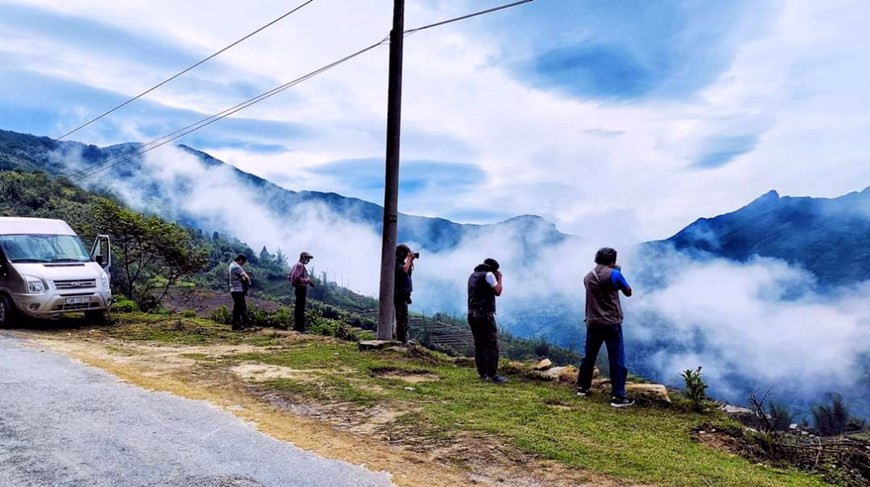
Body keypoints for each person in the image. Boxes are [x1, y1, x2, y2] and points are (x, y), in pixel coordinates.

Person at [576, 247, 635, 407]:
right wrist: (618, 271)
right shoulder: (614, 274)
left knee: (589, 356)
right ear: (612, 261)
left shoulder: (588, 277)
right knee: (616, 359)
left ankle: (582, 387)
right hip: (611, 323)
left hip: (593, 322)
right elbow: (628, 291)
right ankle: (618, 396)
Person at [467, 258, 507, 384]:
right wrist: (499, 279)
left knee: (478, 343)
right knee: (491, 344)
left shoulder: (473, 275)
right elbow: (498, 291)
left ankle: (482, 372)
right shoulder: (489, 275)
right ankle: (492, 374)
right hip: (484, 314)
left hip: (472, 313)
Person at [394, 244, 417, 344]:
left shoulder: (401, 262)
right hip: (399, 294)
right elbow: (403, 271)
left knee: (404, 317)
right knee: (401, 318)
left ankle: (403, 339)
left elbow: (407, 272)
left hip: (404, 294)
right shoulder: (395, 262)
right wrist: (409, 259)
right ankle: (401, 340)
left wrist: (410, 261)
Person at [289, 251, 314, 332]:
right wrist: (307, 280)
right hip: (301, 288)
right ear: (303, 257)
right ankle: (300, 328)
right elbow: (297, 277)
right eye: (307, 258)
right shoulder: (300, 265)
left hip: (297, 288)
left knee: (298, 308)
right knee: (300, 308)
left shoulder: (295, 265)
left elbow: (290, 277)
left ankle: (297, 327)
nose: (308, 260)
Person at [228, 254, 251, 331]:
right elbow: (246, 277)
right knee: (239, 308)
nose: (243, 264)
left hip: (235, 290)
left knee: (240, 307)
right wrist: (248, 284)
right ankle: (237, 325)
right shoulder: (236, 267)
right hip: (238, 290)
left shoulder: (232, 265)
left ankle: (242, 323)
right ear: (240, 260)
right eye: (243, 262)